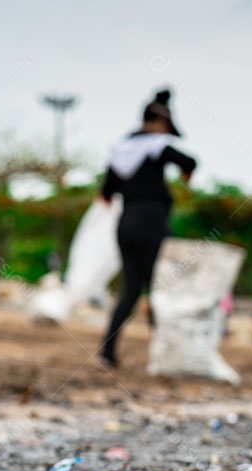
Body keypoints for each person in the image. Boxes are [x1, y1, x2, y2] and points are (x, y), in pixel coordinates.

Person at [98, 89, 197, 368]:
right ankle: (164, 355)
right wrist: (185, 176)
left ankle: (108, 351)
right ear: (156, 122)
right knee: (161, 288)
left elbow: (106, 193)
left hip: (126, 223)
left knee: (130, 290)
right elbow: (190, 162)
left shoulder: (120, 150)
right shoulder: (157, 145)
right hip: (153, 222)